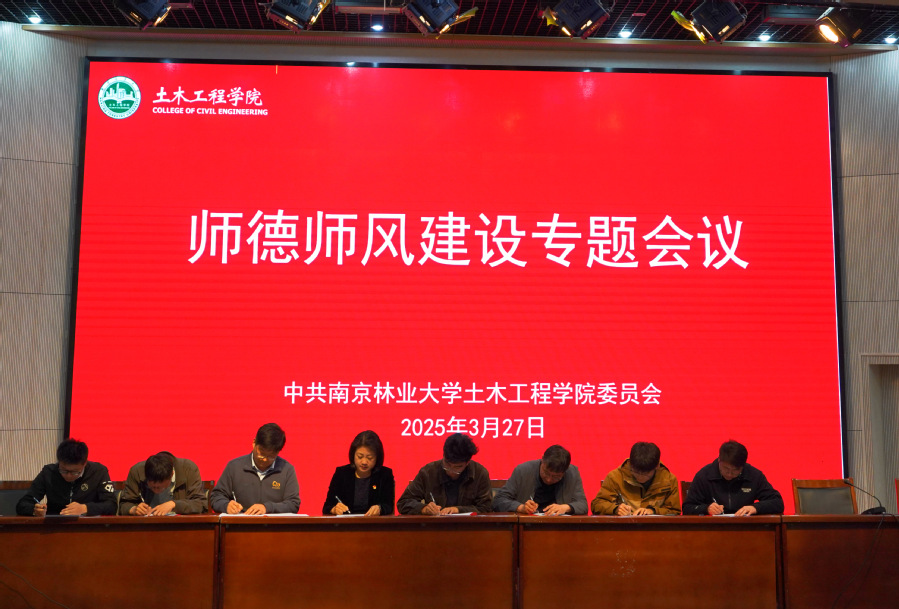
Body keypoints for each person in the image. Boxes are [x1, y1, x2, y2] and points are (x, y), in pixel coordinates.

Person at [209, 423, 300, 515]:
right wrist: (226, 506)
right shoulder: (234, 467)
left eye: (271, 456)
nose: (265, 459)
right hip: (241, 521)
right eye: (261, 454)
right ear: (254, 443)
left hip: (273, 523)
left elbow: (293, 504)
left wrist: (267, 508)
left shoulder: (287, 470)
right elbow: (216, 497)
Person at [16, 438, 116, 516]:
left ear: (84, 463)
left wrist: (85, 508)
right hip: (55, 527)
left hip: (89, 528)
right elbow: (23, 504)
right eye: (63, 470)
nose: (68, 476)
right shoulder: (49, 472)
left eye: (75, 472)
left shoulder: (98, 472)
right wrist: (34, 510)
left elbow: (111, 505)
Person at [397, 433, 493, 515]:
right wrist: (423, 508)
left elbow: (486, 508)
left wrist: (458, 510)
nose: (450, 471)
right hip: (435, 528)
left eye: (457, 467)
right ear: (443, 455)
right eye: (447, 464)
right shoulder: (428, 472)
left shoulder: (480, 474)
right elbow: (403, 502)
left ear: (467, 463)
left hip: (469, 528)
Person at [683, 440, 784, 516]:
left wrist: (755, 508)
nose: (730, 474)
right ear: (719, 460)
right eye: (726, 468)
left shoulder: (753, 475)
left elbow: (777, 503)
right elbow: (687, 508)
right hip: (713, 529)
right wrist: (706, 508)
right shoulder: (704, 475)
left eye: (736, 470)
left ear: (743, 466)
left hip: (746, 528)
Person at [493, 444, 588, 515]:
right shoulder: (523, 470)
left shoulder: (572, 473)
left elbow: (583, 505)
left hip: (559, 527)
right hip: (527, 526)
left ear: (565, 471)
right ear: (542, 459)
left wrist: (566, 507)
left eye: (556, 477)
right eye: (546, 473)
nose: (549, 479)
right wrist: (521, 507)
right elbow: (499, 500)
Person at [591, 441, 680, 515]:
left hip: (656, 529)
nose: (640, 477)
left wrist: (653, 511)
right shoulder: (615, 477)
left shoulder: (668, 480)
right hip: (623, 528)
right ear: (630, 463)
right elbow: (596, 505)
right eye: (636, 472)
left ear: (657, 466)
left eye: (645, 473)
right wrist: (615, 509)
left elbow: (674, 511)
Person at [322, 430, 395, 516]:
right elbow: (327, 507)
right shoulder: (341, 474)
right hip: (346, 523)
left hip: (374, 522)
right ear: (353, 455)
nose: (364, 462)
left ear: (377, 457)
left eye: (369, 458)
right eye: (360, 456)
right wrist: (334, 509)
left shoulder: (385, 475)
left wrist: (380, 508)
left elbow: (389, 506)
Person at [119, 451, 207, 515]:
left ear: (171, 475)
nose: (156, 490)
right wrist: (133, 509)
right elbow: (123, 505)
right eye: (153, 487)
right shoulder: (137, 472)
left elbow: (201, 504)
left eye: (160, 487)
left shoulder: (189, 469)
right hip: (145, 527)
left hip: (180, 526)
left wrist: (174, 504)